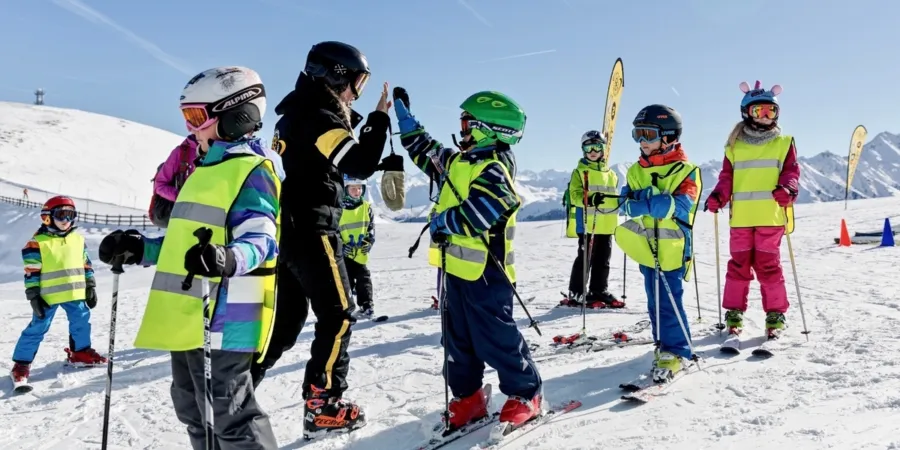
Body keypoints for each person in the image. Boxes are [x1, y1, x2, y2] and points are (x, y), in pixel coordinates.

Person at [98, 66, 281, 450]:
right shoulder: (203, 170)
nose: (190, 128)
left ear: (236, 115)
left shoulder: (252, 170)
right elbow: (184, 241)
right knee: (193, 409)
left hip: (233, 308)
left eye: (197, 117)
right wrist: (140, 248)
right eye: (186, 117)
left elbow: (261, 238)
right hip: (191, 305)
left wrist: (228, 258)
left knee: (229, 411)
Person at [252, 41, 391, 439]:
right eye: (356, 84)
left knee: (286, 323)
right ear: (336, 76)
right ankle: (323, 404)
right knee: (340, 312)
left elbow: (324, 157)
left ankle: (234, 390)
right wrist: (378, 121)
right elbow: (358, 164)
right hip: (314, 227)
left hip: (292, 227)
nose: (355, 94)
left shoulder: (298, 111)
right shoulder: (319, 115)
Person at [392, 86, 544, 431]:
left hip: (489, 274)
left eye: (466, 124)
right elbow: (424, 150)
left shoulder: (494, 169)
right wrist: (405, 119)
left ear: (487, 128)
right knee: (456, 338)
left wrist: (442, 221)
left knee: (495, 337)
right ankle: (468, 396)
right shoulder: (459, 162)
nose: (461, 131)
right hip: (454, 269)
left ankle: (526, 393)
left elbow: (482, 213)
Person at [705, 81, 799, 340]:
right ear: (746, 113)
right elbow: (727, 177)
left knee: (769, 267)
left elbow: (791, 172)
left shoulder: (783, 142)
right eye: (760, 112)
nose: (766, 117)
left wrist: (788, 189)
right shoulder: (734, 146)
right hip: (742, 220)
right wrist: (718, 196)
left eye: (771, 111)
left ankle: (776, 314)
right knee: (738, 267)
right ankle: (734, 312)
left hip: (771, 216)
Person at [614, 104, 701, 383]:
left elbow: (684, 205)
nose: (642, 141)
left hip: (673, 247)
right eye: (637, 134)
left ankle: (678, 350)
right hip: (646, 246)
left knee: (669, 299)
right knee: (654, 299)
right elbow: (627, 202)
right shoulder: (635, 171)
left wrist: (653, 202)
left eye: (648, 134)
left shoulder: (686, 171)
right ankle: (662, 343)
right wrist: (623, 204)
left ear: (669, 137)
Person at [10, 196, 105, 390]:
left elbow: (86, 264)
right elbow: (32, 272)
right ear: (47, 217)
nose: (66, 220)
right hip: (47, 297)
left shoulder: (77, 239)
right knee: (38, 328)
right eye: (61, 215)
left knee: (81, 322)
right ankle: (21, 364)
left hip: (75, 294)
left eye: (71, 215)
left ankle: (80, 352)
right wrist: (34, 296)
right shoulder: (37, 243)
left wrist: (90, 285)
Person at [560, 130, 625, 309]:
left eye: (597, 147)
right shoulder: (580, 172)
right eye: (588, 147)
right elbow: (574, 196)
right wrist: (589, 198)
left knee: (603, 260)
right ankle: (576, 292)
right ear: (583, 150)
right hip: (589, 224)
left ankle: (598, 290)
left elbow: (612, 197)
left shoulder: (611, 174)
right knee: (585, 259)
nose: (593, 151)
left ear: (604, 149)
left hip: (607, 224)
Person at [339, 175, 377, 318]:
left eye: (360, 188)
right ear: (345, 190)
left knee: (364, 278)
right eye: (353, 188)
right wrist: (341, 246)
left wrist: (369, 241)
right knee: (345, 281)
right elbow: (333, 230)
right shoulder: (338, 208)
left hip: (360, 253)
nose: (357, 192)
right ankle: (346, 309)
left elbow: (371, 227)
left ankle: (367, 305)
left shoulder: (366, 207)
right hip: (343, 255)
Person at [149, 134, 201, 227]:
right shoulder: (182, 153)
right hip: (183, 220)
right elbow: (160, 185)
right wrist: (181, 196)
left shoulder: (228, 152)